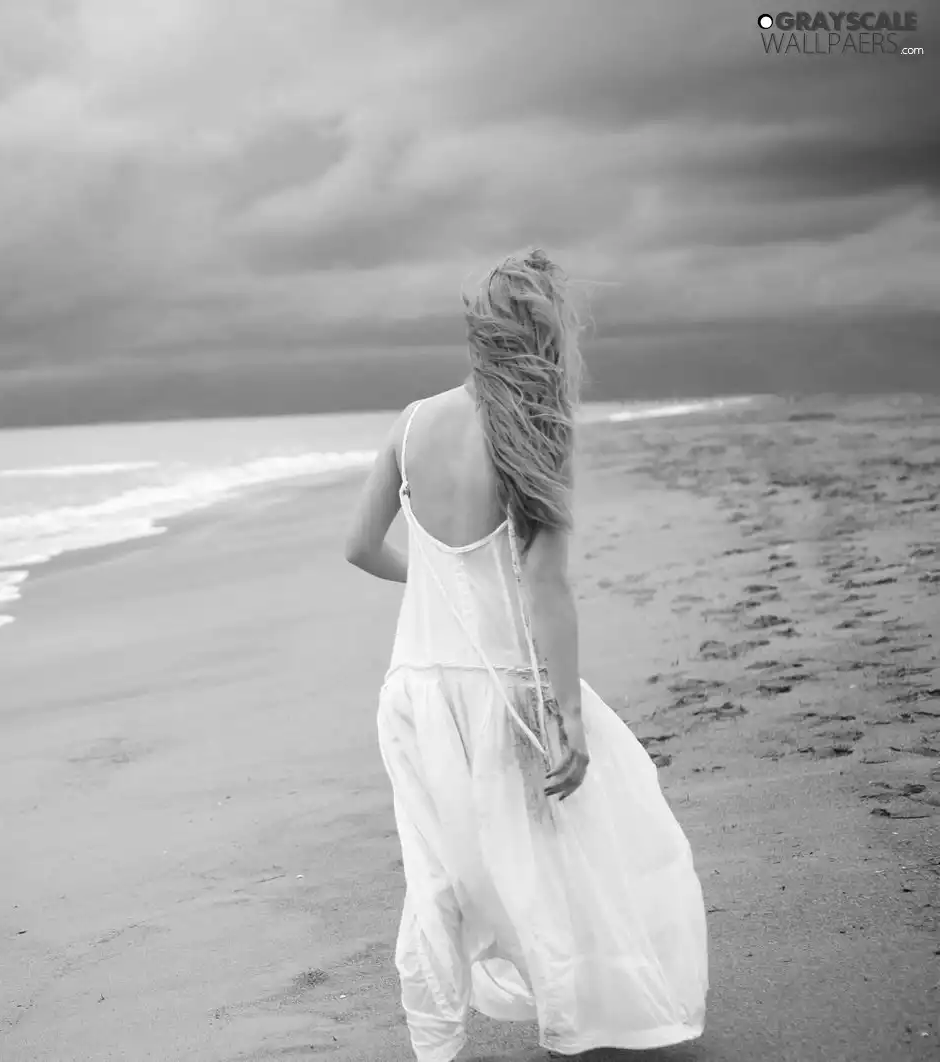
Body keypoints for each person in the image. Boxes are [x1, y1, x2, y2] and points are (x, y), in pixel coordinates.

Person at [342, 249, 709, 1060]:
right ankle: (567, 1026)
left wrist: (434, 594)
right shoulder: (535, 433)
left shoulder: (410, 423)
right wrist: (568, 710)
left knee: (435, 872)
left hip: (414, 691)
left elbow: (359, 545)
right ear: (543, 337)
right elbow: (547, 589)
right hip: (504, 690)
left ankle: (434, 1044)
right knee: (551, 856)